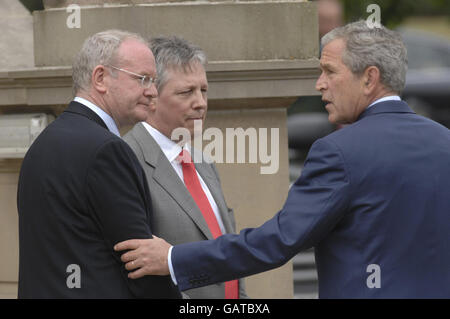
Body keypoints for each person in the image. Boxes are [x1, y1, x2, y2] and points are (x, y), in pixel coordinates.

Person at [114, 21, 450, 298]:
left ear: (370, 78)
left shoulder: (339, 151)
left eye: (330, 72)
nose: (320, 85)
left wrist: (173, 258)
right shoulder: (444, 142)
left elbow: (278, 241)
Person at [17, 29, 181, 298]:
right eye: (143, 79)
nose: (152, 92)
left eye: (154, 81)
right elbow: (140, 264)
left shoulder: (41, 145)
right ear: (101, 78)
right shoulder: (108, 150)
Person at [122, 36, 247, 299]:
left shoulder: (202, 161)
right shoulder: (126, 160)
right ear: (152, 97)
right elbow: (132, 271)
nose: (200, 103)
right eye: (186, 92)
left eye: (203, 90)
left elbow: (227, 249)